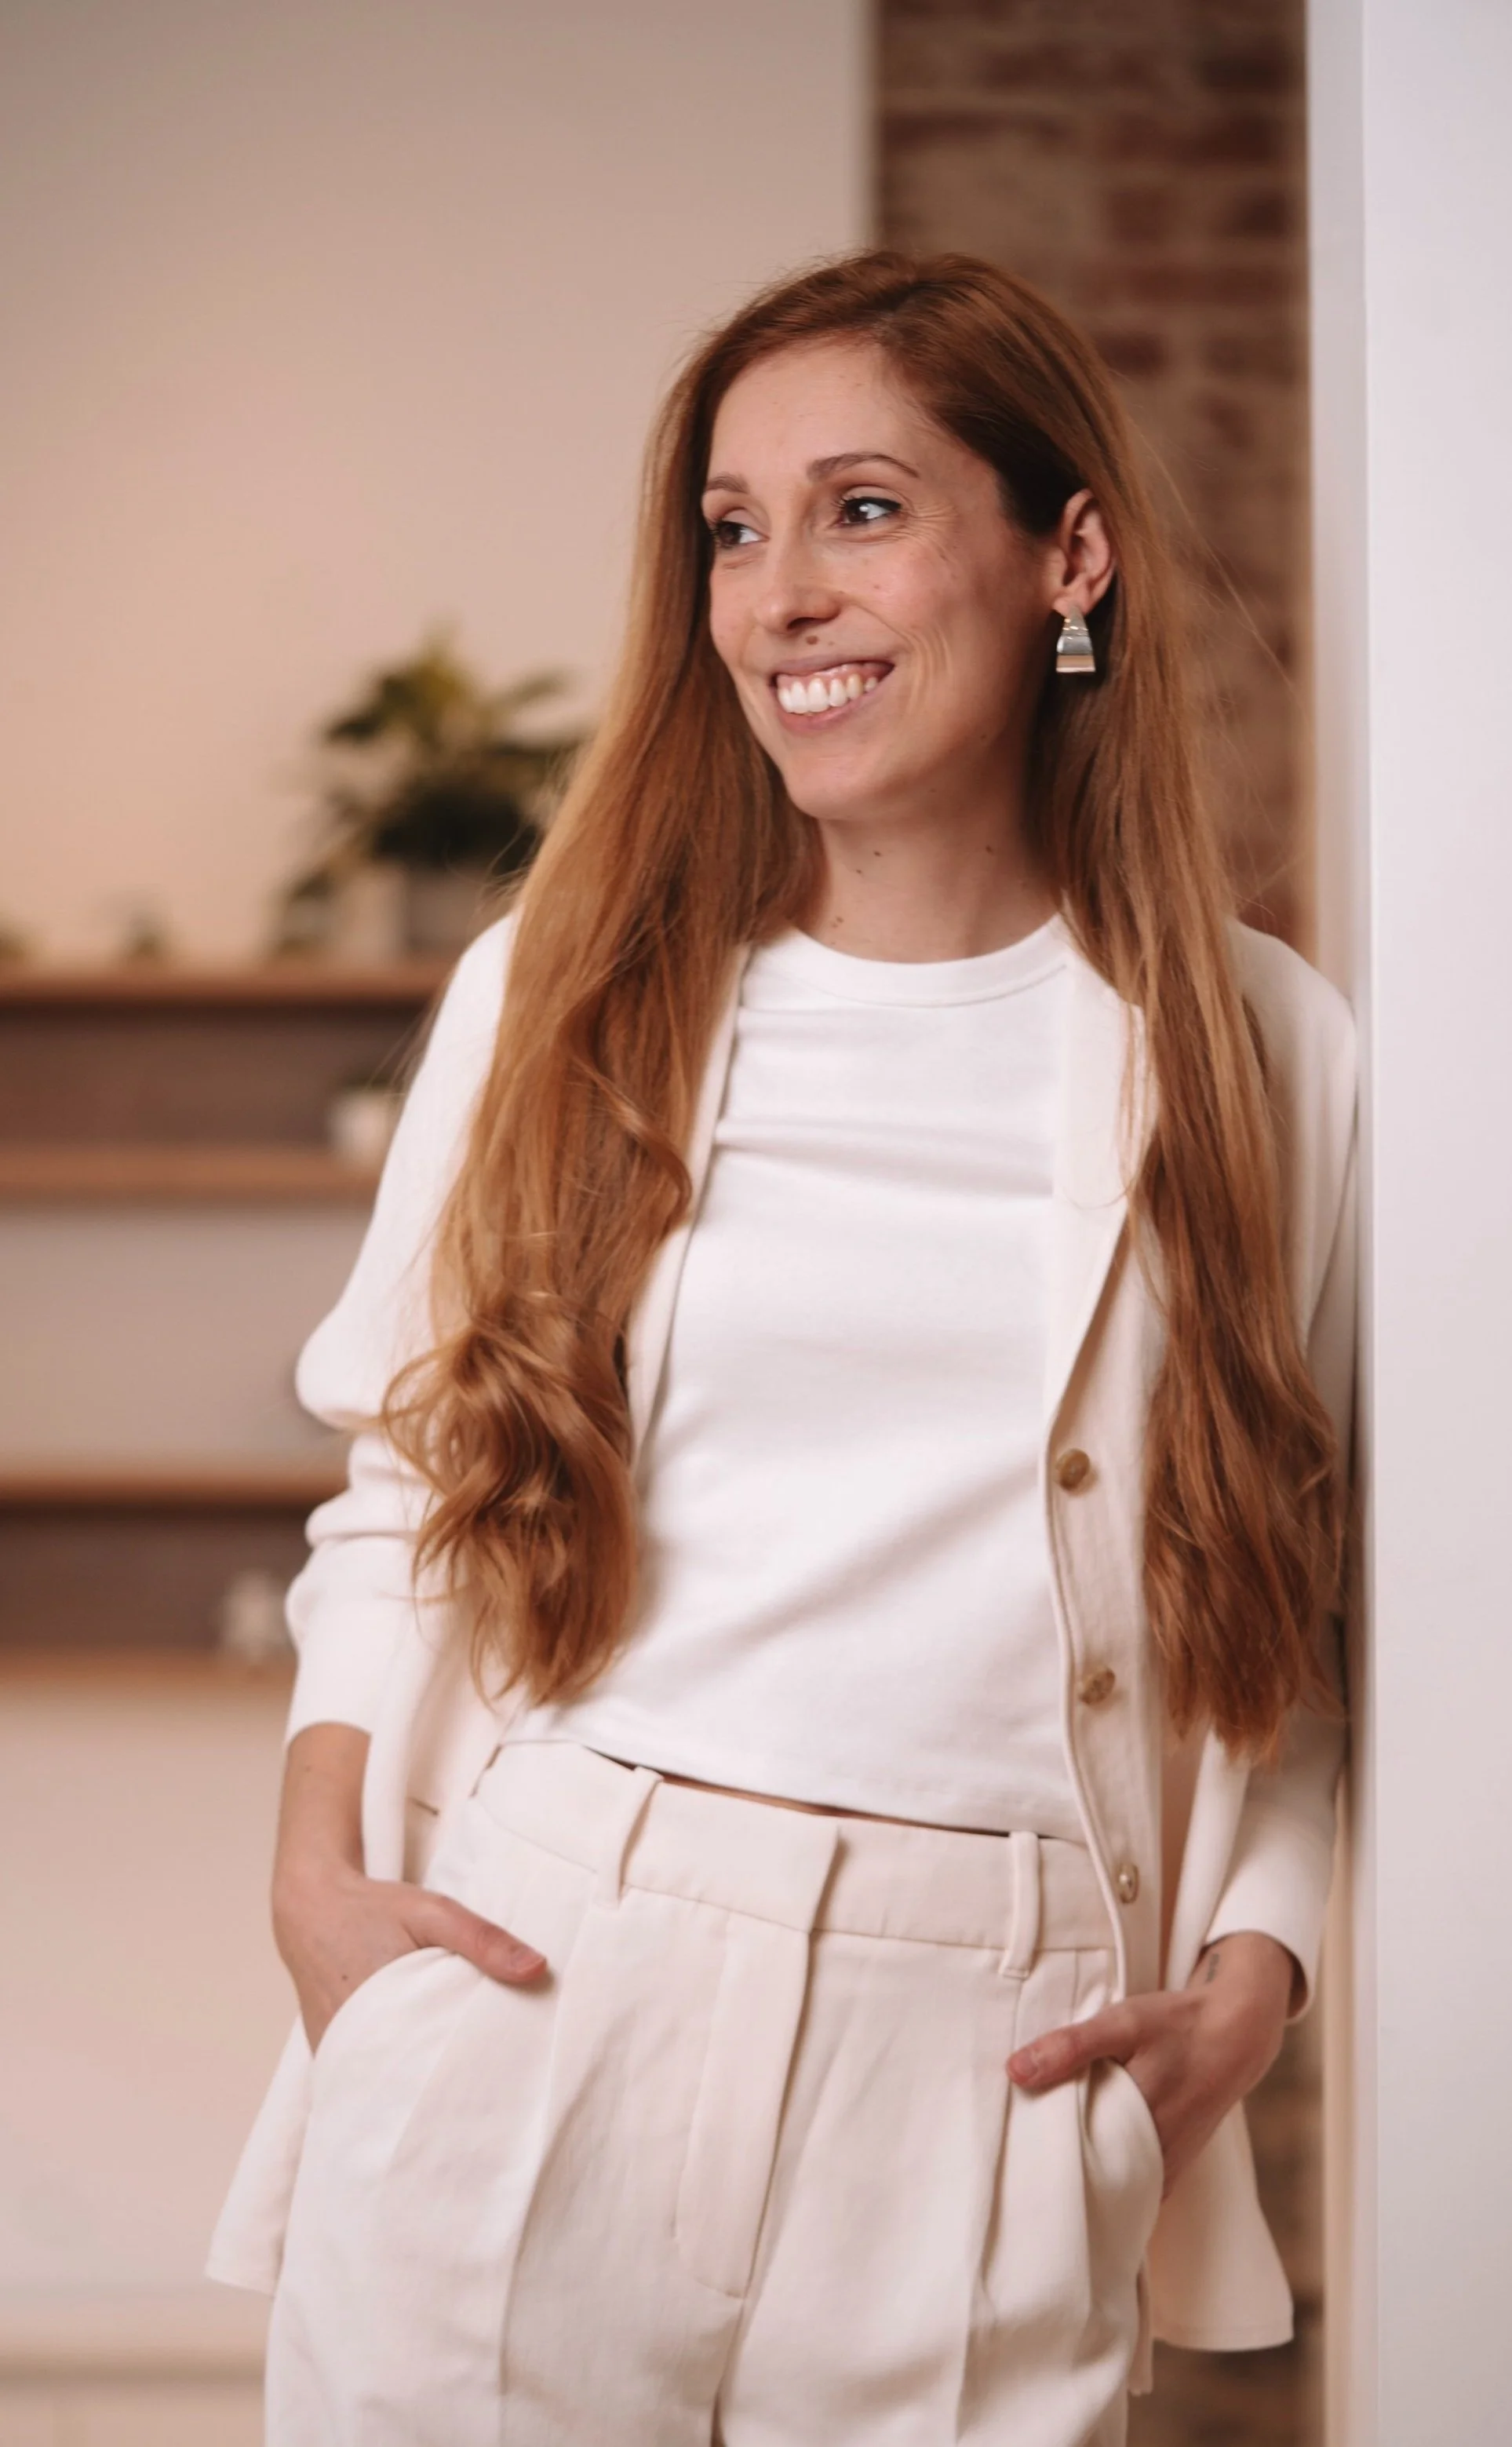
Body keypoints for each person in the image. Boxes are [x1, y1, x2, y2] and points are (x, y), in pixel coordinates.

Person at [209, 250, 1356, 2447]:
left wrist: (1259, 1970)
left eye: (863, 509)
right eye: (733, 531)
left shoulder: (1262, 1058)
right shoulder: (562, 989)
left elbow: (1295, 1599)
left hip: (995, 2054)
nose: (779, 597)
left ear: (1070, 559)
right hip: (548, 1974)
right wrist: (319, 1875)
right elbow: (407, 1471)